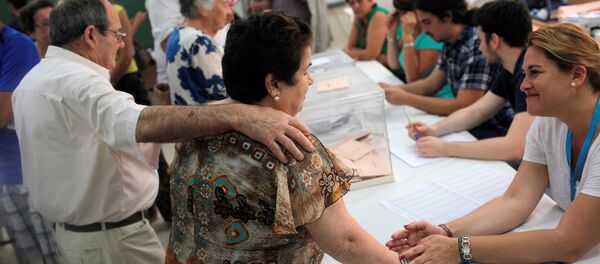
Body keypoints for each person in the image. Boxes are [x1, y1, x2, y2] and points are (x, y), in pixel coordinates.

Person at [12, 0, 315, 262]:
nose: (122, 44)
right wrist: (239, 114)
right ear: (91, 35)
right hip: (111, 240)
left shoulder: (34, 80)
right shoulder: (78, 84)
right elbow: (142, 123)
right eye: (118, 35)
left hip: (81, 234)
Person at [166, 12, 399, 263]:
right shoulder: (290, 150)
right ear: (273, 84)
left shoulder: (195, 127)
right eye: (305, 71)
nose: (310, 81)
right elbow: (346, 243)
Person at [386, 23, 600, 263]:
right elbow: (516, 201)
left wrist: (459, 249)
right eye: (525, 73)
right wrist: (447, 232)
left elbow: (568, 244)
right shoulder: (548, 123)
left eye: (535, 73)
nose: (522, 85)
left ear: (577, 75)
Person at [406, 0, 535, 163]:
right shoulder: (511, 68)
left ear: (494, 41)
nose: (479, 47)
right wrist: (434, 129)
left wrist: (446, 148)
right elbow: (477, 110)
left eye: (481, 40)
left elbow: (514, 148)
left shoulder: (529, 76)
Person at [379, 0, 513, 140]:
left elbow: (464, 105)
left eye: (427, 22)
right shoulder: (449, 40)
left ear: (448, 16)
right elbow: (430, 85)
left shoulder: (475, 44)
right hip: (471, 124)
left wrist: (405, 98)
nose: (424, 30)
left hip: (494, 129)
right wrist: (391, 90)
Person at [0, 21, 62, 264]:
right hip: (6, 178)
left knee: (56, 256)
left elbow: (2, 114)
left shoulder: (15, 44)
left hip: (31, 177)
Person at [165, 0, 234, 105]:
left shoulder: (178, 34)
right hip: (207, 119)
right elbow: (224, 92)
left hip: (187, 117)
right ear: (202, 9)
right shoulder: (199, 41)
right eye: (225, 4)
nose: (229, 12)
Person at [385, 0, 452, 98]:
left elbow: (412, 78)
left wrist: (407, 35)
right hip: (421, 96)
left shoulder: (431, 35)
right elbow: (394, 65)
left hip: (439, 99)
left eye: (402, 12)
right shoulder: (411, 30)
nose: (401, 17)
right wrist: (392, 33)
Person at [343, 0, 388, 65]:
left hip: (394, 71)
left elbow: (370, 55)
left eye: (359, 1)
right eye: (352, 3)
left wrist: (348, 52)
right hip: (376, 66)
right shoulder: (359, 17)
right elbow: (350, 47)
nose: (356, 6)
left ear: (371, 1)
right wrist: (366, 54)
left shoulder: (379, 15)